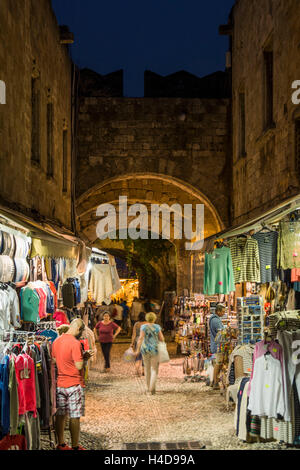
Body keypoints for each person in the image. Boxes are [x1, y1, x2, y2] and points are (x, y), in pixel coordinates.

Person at [52, 318, 94, 451]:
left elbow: (54, 360)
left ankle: (61, 444)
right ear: (78, 329)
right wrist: (84, 357)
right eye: (81, 331)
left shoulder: (56, 341)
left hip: (60, 383)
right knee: (74, 417)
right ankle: (75, 446)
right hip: (74, 384)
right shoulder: (75, 343)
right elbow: (78, 365)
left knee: (61, 415)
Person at [135, 312, 165, 395]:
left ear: (147, 318)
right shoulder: (157, 327)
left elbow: (140, 338)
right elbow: (162, 338)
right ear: (154, 318)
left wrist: (137, 349)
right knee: (154, 369)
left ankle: (148, 388)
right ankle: (153, 388)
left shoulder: (143, 327)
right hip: (155, 350)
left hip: (145, 349)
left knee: (147, 369)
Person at [209, 303, 226, 390]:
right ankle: (215, 382)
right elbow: (221, 331)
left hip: (216, 344)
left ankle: (214, 381)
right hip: (217, 345)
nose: (224, 313)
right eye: (222, 312)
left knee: (218, 363)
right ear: (218, 311)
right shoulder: (215, 320)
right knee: (218, 363)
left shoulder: (215, 319)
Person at [131, 311, 147, 376]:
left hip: (138, 341)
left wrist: (132, 343)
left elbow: (134, 335)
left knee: (138, 357)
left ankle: (137, 371)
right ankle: (144, 371)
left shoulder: (136, 324)